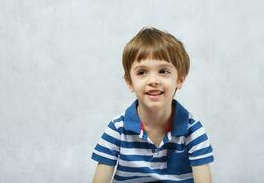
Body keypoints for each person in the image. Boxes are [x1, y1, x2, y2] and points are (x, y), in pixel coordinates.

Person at [91, 27, 214, 183]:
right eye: (142, 72)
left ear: (180, 79)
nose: (153, 80)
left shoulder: (192, 130)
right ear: (130, 82)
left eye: (163, 71)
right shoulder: (117, 129)